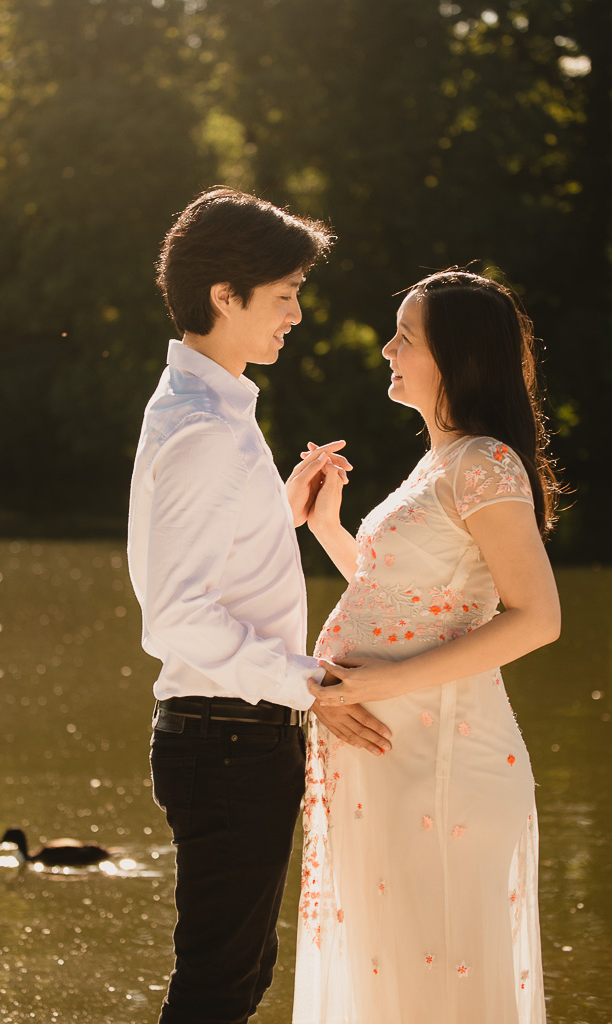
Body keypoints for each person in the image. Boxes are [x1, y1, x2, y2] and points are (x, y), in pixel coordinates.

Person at [126, 187, 392, 1024]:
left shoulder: (210, 410)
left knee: (235, 977)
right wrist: (307, 680)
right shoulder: (205, 427)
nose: (297, 316)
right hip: (227, 736)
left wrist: (287, 510)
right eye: (284, 297)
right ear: (224, 296)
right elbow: (173, 615)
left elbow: (212, 568)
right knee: (218, 985)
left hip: (230, 734)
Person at [293, 269, 562, 1024]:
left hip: (441, 761)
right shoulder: (437, 465)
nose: (386, 349)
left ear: (458, 358)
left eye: (405, 337)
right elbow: (403, 602)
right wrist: (326, 529)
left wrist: (373, 687)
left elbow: (536, 618)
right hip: (390, 753)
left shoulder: (484, 465)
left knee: (437, 984)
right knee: (397, 981)